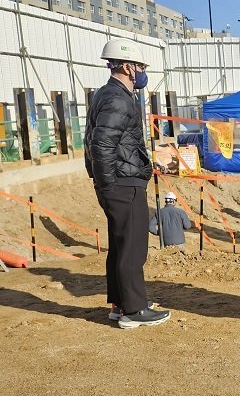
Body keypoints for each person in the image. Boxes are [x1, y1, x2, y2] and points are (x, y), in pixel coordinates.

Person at [85, 38, 170, 329]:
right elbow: (101, 143)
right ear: (127, 66)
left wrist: (145, 162)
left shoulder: (107, 94)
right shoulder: (119, 98)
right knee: (133, 247)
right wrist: (108, 183)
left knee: (121, 244)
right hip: (122, 183)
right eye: (140, 66)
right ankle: (133, 311)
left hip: (119, 178)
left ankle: (121, 303)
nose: (142, 71)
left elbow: (115, 142)